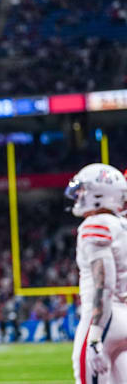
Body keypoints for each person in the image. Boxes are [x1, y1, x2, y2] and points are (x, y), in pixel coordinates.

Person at [66, 164, 127, 383]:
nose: (78, 195)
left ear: (100, 194)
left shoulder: (96, 224)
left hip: (104, 318)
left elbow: (105, 283)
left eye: (83, 190)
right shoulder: (122, 225)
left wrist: (94, 335)